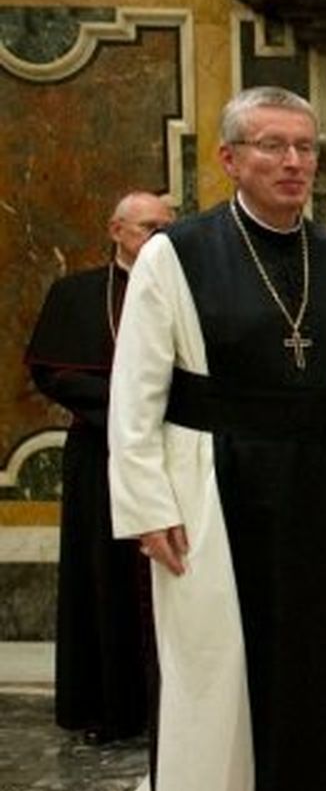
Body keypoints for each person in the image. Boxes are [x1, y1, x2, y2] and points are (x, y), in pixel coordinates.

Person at [108, 86, 326, 791]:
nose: (293, 162)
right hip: (218, 490)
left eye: (305, 147)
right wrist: (147, 505)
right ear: (229, 159)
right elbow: (136, 390)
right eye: (272, 146)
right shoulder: (176, 254)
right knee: (225, 678)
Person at [28, 191, 173, 746]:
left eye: (166, 227)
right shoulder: (77, 294)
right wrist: (130, 405)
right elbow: (55, 374)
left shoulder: (184, 289)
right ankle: (111, 708)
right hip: (100, 452)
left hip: (172, 451)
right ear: (116, 230)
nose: (158, 237)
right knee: (103, 577)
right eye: (148, 227)